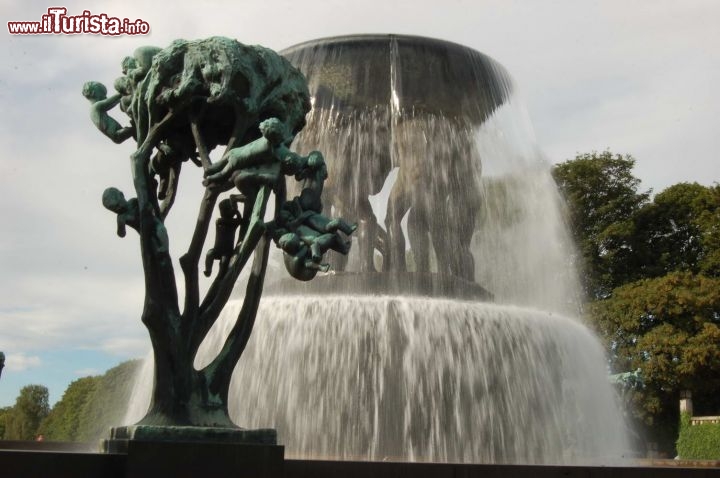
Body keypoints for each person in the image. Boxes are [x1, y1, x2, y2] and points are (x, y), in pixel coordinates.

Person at [204, 195, 245, 277]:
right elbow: (238, 221)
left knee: (224, 262)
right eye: (221, 210)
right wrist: (236, 212)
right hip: (217, 249)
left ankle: (220, 275)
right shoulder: (220, 221)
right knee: (209, 254)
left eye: (225, 210)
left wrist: (236, 212)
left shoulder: (232, 223)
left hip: (227, 251)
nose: (222, 213)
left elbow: (240, 221)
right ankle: (208, 270)